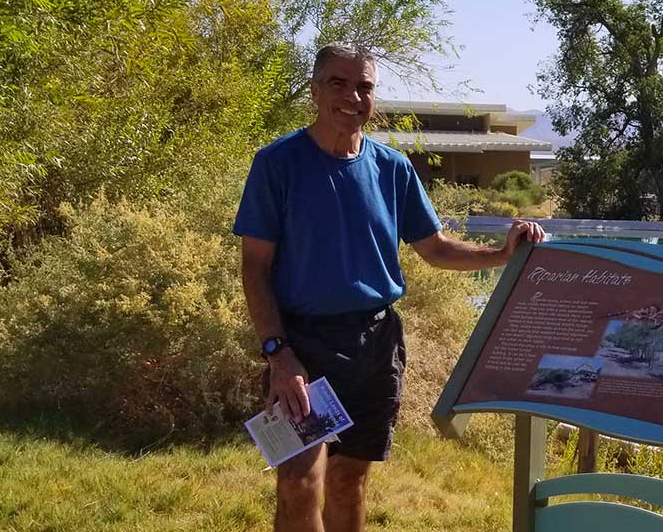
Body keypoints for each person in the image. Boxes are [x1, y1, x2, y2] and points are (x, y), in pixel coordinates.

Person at [233, 43, 545, 532]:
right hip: (303, 345)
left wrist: (500, 255)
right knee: (298, 479)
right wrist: (278, 353)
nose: (352, 96)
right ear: (315, 90)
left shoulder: (391, 168)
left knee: (349, 479)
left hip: (376, 345)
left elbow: (435, 246)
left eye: (365, 86)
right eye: (338, 83)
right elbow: (255, 268)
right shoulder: (278, 164)